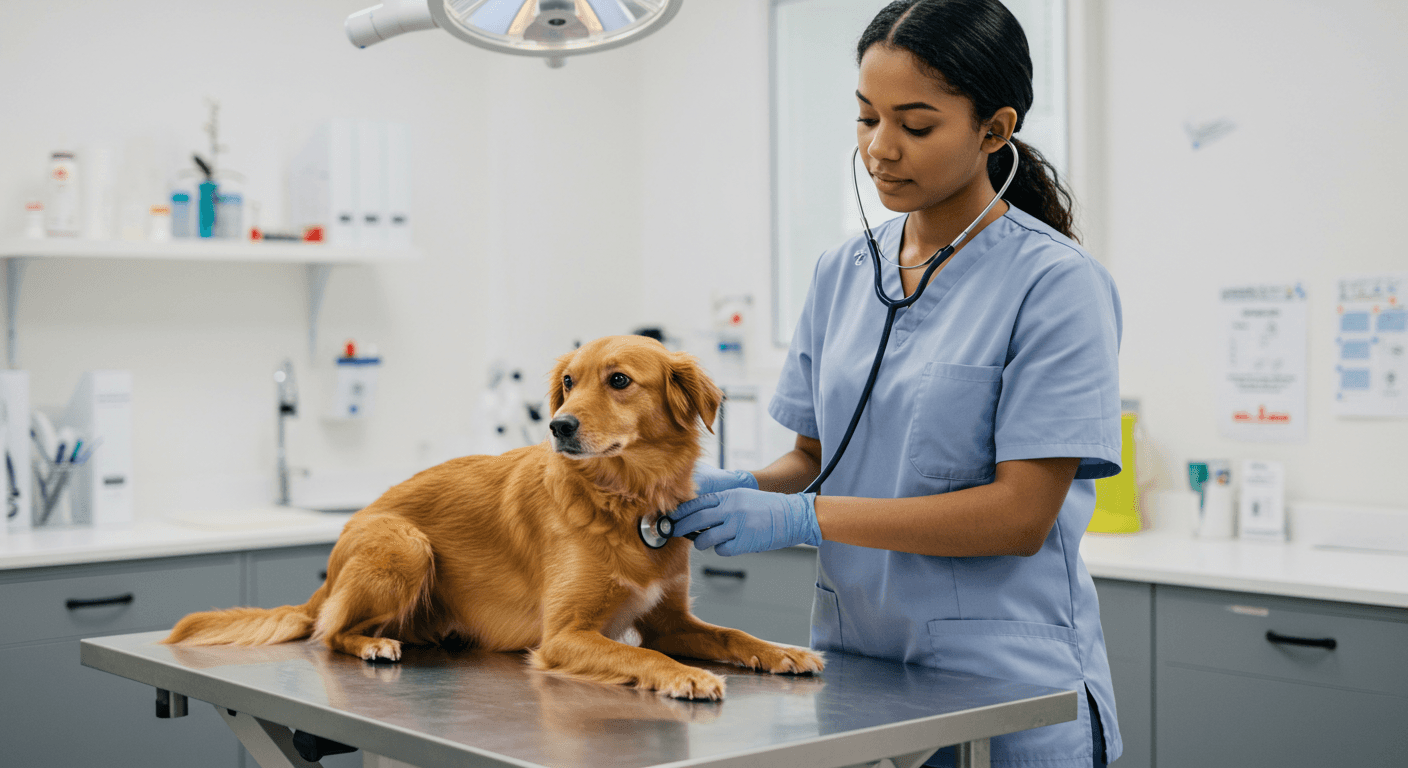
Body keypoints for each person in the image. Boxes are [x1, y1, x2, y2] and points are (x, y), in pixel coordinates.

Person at [668, 1, 1122, 766]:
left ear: (995, 129)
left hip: (1007, 687)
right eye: (865, 117)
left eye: (916, 125)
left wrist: (800, 520)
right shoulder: (840, 272)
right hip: (863, 677)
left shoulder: (1055, 285)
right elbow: (814, 460)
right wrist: (734, 486)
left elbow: (1020, 516)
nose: (880, 148)